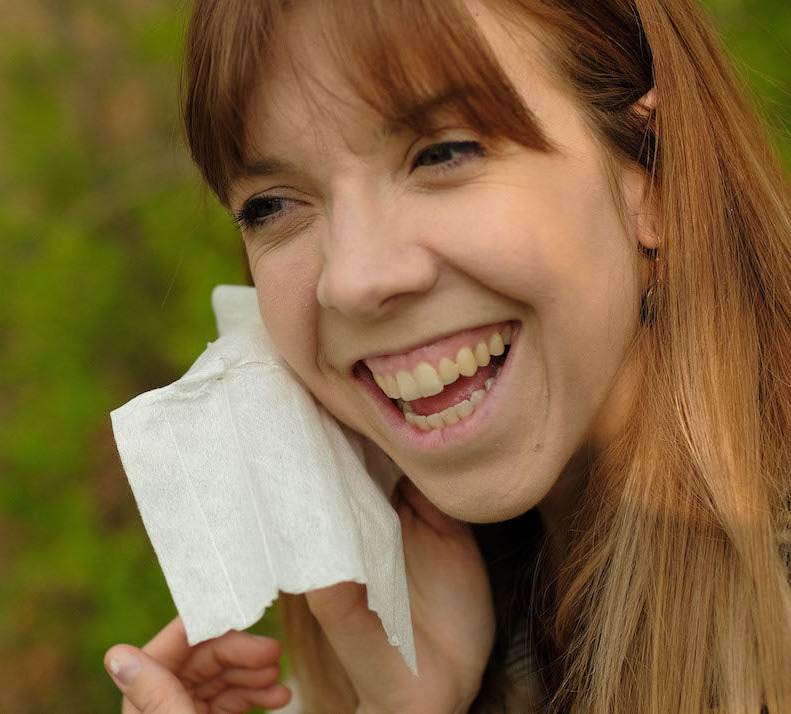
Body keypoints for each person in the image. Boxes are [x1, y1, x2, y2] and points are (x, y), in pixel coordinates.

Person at [104, 0, 791, 711]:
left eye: (443, 154)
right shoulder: (428, 628)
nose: (355, 280)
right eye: (274, 205)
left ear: (653, 169)